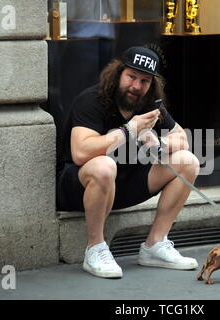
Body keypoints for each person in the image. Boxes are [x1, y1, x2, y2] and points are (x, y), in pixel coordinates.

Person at [56, 46, 200, 278]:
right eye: (131, 77)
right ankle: (95, 248)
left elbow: (182, 138)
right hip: (79, 185)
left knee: (188, 161)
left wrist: (161, 145)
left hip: (124, 185)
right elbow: (81, 152)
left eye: (144, 81)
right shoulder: (92, 100)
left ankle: (155, 244)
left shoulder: (149, 105)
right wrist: (128, 131)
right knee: (105, 166)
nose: (136, 86)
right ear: (118, 73)